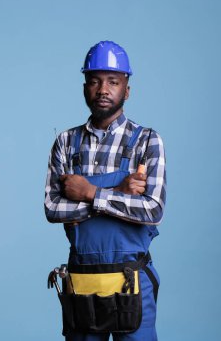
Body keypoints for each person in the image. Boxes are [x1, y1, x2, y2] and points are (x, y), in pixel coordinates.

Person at [44, 40, 166, 341]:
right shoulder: (65, 142)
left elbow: (153, 210)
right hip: (82, 280)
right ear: (85, 86)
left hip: (131, 280)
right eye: (95, 81)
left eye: (113, 81)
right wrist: (121, 193)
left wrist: (89, 193)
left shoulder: (147, 141)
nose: (103, 89)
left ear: (127, 89)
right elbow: (53, 208)